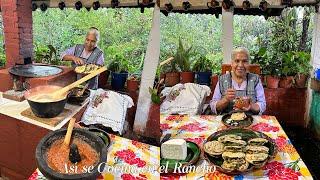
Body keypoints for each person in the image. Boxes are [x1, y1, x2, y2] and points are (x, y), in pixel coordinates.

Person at [210, 47, 266, 115]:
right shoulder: (222, 80)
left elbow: (262, 104)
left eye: (244, 61)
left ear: (248, 64)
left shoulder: (255, 79)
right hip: (226, 120)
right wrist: (225, 100)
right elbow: (213, 107)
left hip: (250, 120)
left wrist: (251, 106)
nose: (240, 65)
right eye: (237, 61)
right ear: (231, 63)